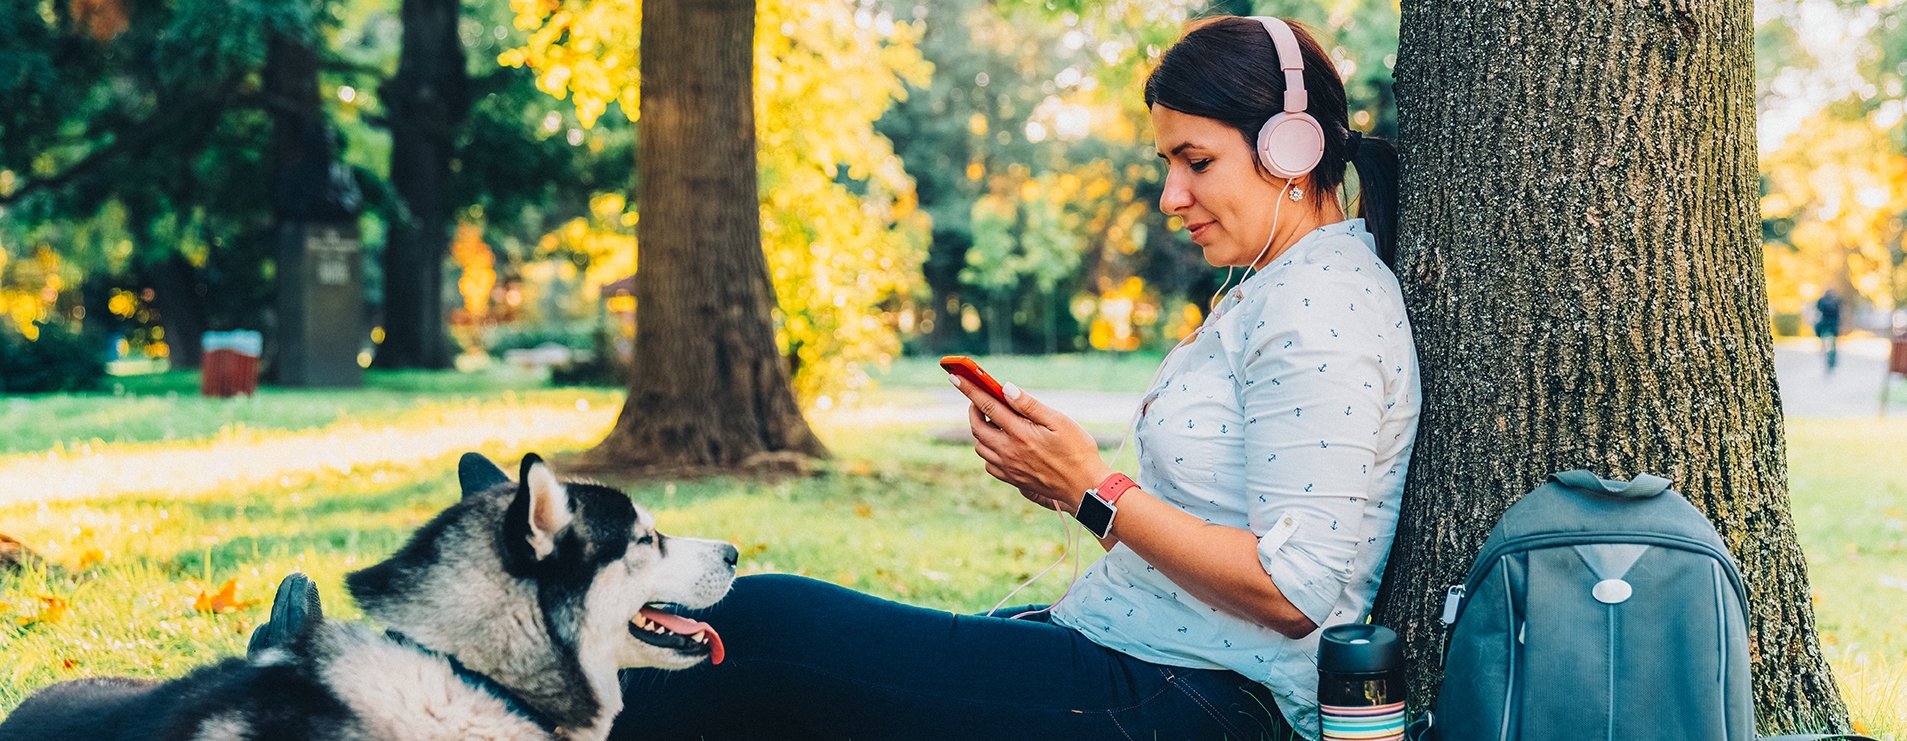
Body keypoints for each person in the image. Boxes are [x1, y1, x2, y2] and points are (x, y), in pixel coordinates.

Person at [610, 15, 1418, 741]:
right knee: (749, 647)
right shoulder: (1269, 286)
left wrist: (1091, 491)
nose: (1171, 195)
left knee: (760, 629)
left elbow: (1294, 589)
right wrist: (1062, 480)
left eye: (1195, 161)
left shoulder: (1322, 308)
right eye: (1168, 162)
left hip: (1205, 695)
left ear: (1292, 148)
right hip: (1135, 648)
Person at [1815, 289, 1842, 372]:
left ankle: (1826, 355)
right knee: (1833, 345)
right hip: (1834, 325)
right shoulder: (1836, 301)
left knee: (1825, 343)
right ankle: (1832, 361)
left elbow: (1818, 313)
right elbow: (1839, 314)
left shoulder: (1822, 301)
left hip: (1825, 325)